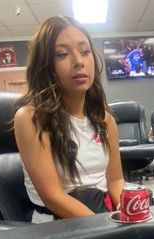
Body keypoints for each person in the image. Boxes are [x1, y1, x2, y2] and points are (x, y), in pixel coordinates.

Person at [14, 16, 124, 223]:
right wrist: (103, 229)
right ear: (44, 65)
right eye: (62, 54)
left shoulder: (105, 119)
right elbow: (53, 197)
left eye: (85, 52)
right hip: (58, 225)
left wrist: (125, 210)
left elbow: (115, 179)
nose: (79, 62)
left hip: (102, 213)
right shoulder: (30, 118)